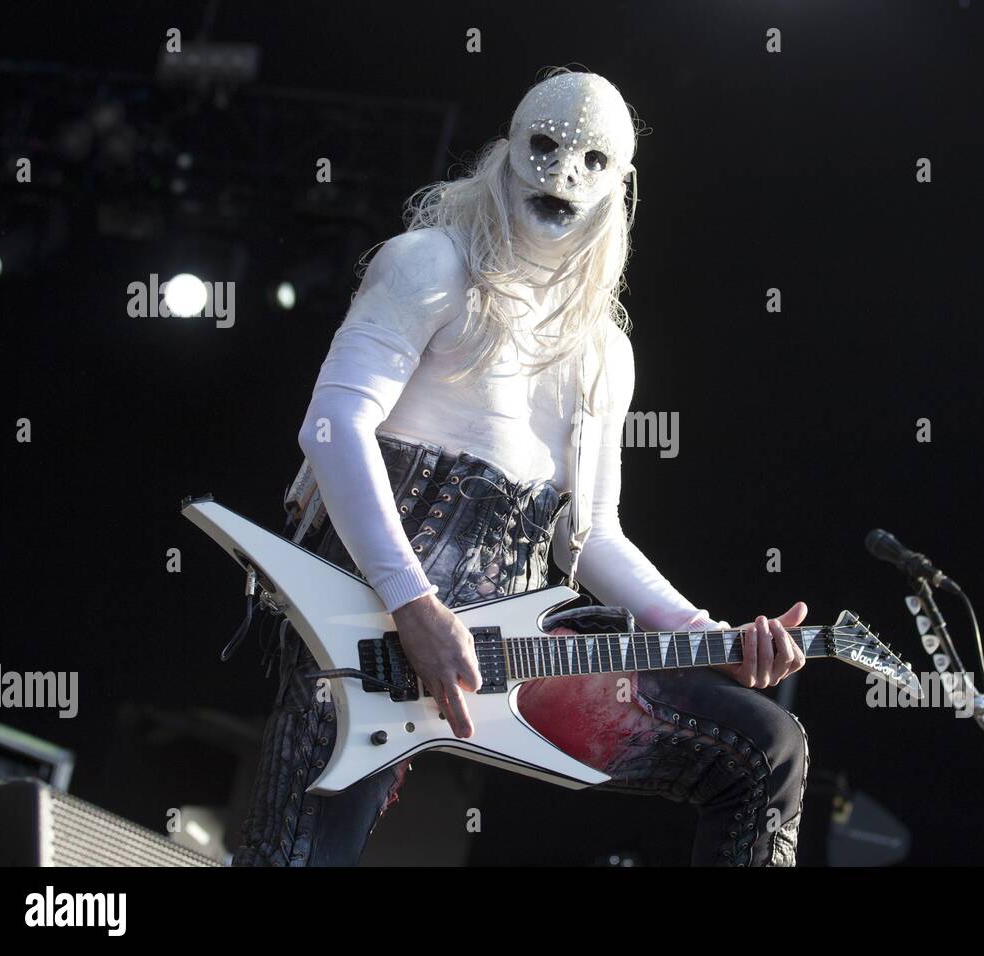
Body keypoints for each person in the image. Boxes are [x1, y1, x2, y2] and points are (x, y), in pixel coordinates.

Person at [234, 69, 810, 867]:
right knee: (290, 863)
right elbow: (332, 427)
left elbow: (594, 533)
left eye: (592, 162)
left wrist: (699, 632)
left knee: (763, 748)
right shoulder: (427, 265)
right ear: (507, 149)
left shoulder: (606, 352)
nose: (564, 173)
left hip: (510, 657)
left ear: (621, 185)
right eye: (544, 147)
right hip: (370, 632)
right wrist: (413, 604)